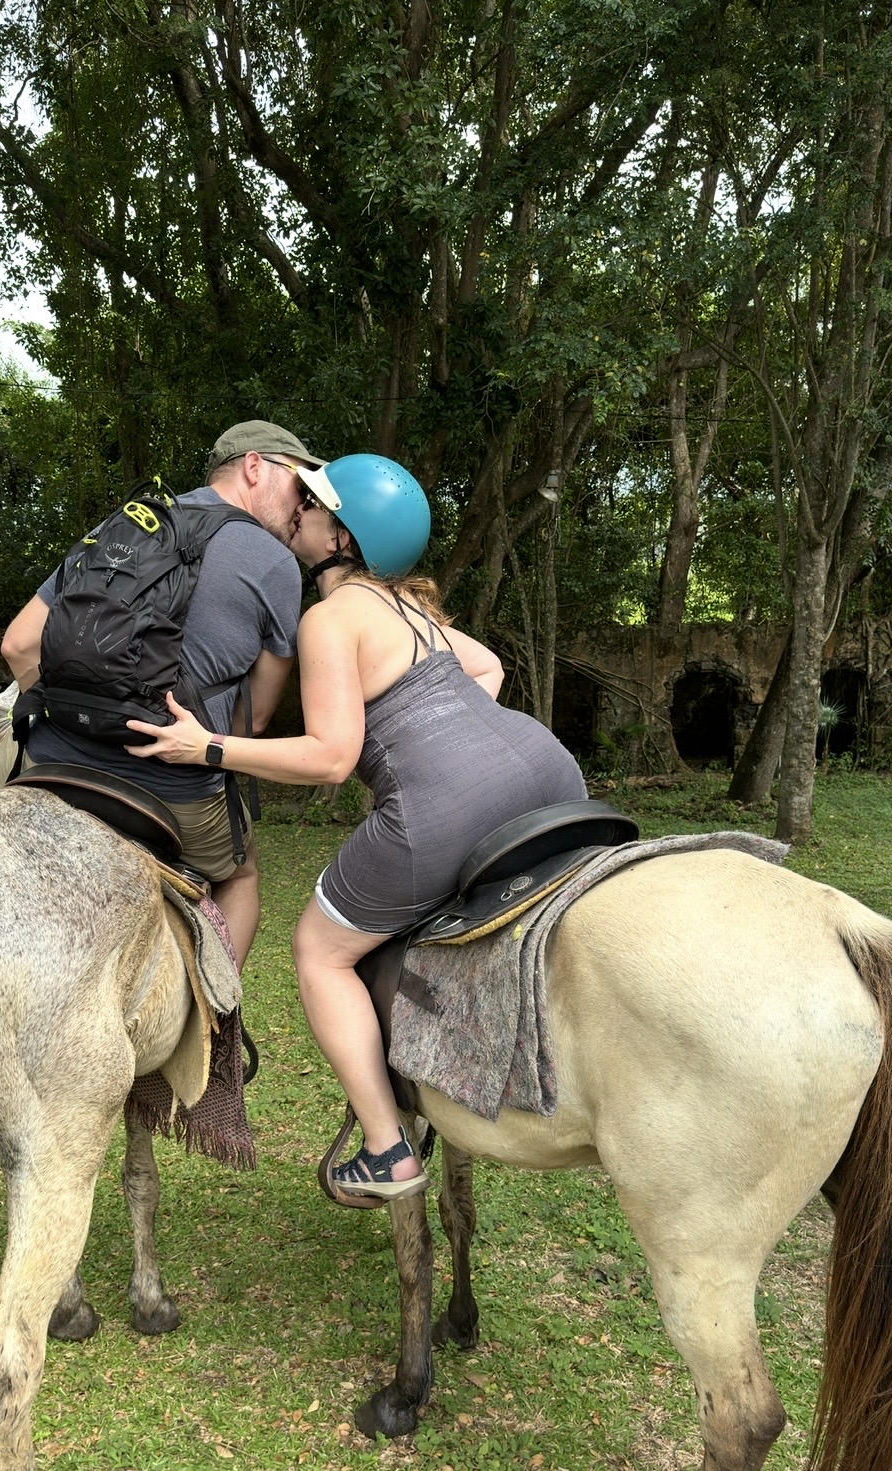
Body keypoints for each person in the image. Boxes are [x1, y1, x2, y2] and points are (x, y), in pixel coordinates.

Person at [126, 453, 587, 1202]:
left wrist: (203, 746)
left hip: (441, 807)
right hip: (547, 769)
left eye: (310, 503)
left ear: (341, 536)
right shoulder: (410, 610)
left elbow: (332, 758)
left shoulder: (330, 618)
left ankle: (386, 1149)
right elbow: (492, 670)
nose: (297, 510)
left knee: (319, 951)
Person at [0, 421, 338, 967]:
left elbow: (16, 645)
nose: (304, 506)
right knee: (242, 876)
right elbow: (258, 717)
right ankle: (220, 1024)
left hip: (52, 762)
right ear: (254, 468)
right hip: (174, 789)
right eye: (300, 486)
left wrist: (78, 720)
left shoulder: (122, 526)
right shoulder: (275, 565)